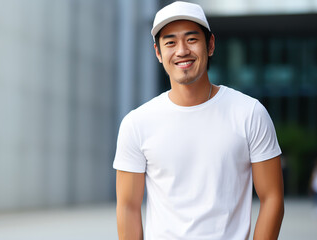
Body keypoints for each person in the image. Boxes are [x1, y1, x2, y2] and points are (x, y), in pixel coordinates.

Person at [113, 1, 284, 239]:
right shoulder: (137, 123)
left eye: (191, 39)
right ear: (158, 53)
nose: (182, 50)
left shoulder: (249, 113)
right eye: (170, 42)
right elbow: (128, 207)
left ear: (210, 45)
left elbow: (272, 197)